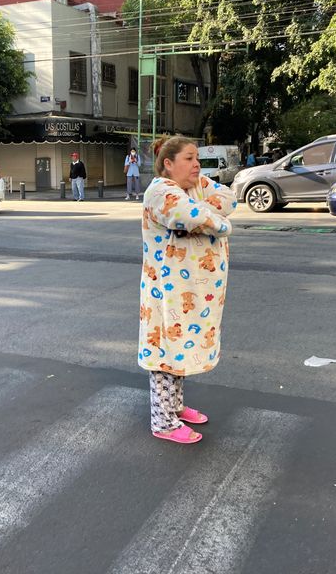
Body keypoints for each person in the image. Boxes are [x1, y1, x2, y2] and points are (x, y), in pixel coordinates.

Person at [139, 136, 236, 444]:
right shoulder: (161, 191)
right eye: (189, 158)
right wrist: (217, 220)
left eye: (197, 158)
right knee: (165, 353)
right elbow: (190, 216)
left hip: (192, 291)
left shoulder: (191, 188)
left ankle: (176, 408)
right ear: (168, 164)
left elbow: (228, 197)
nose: (197, 164)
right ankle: (163, 422)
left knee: (180, 348)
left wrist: (202, 209)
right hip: (168, 293)